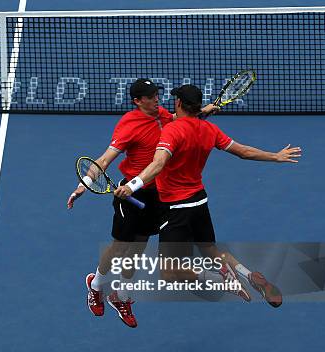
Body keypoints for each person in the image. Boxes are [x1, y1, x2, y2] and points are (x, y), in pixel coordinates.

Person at [114, 84, 301, 307]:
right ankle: (249, 275)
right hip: (199, 202)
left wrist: (132, 185)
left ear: (179, 103)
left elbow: (158, 164)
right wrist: (275, 156)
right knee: (211, 249)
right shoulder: (209, 130)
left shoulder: (171, 131)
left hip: (176, 208)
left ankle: (217, 277)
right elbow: (243, 152)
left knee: (168, 272)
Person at [67, 79, 218, 327]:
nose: (156, 99)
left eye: (157, 94)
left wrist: (204, 111)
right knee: (119, 248)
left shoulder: (161, 114)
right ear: (138, 101)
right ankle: (95, 285)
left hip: (158, 194)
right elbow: (104, 160)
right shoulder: (128, 125)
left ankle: (121, 296)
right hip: (131, 193)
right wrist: (83, 185)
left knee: (137, 250)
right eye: (150, 97)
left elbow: (180, 122)